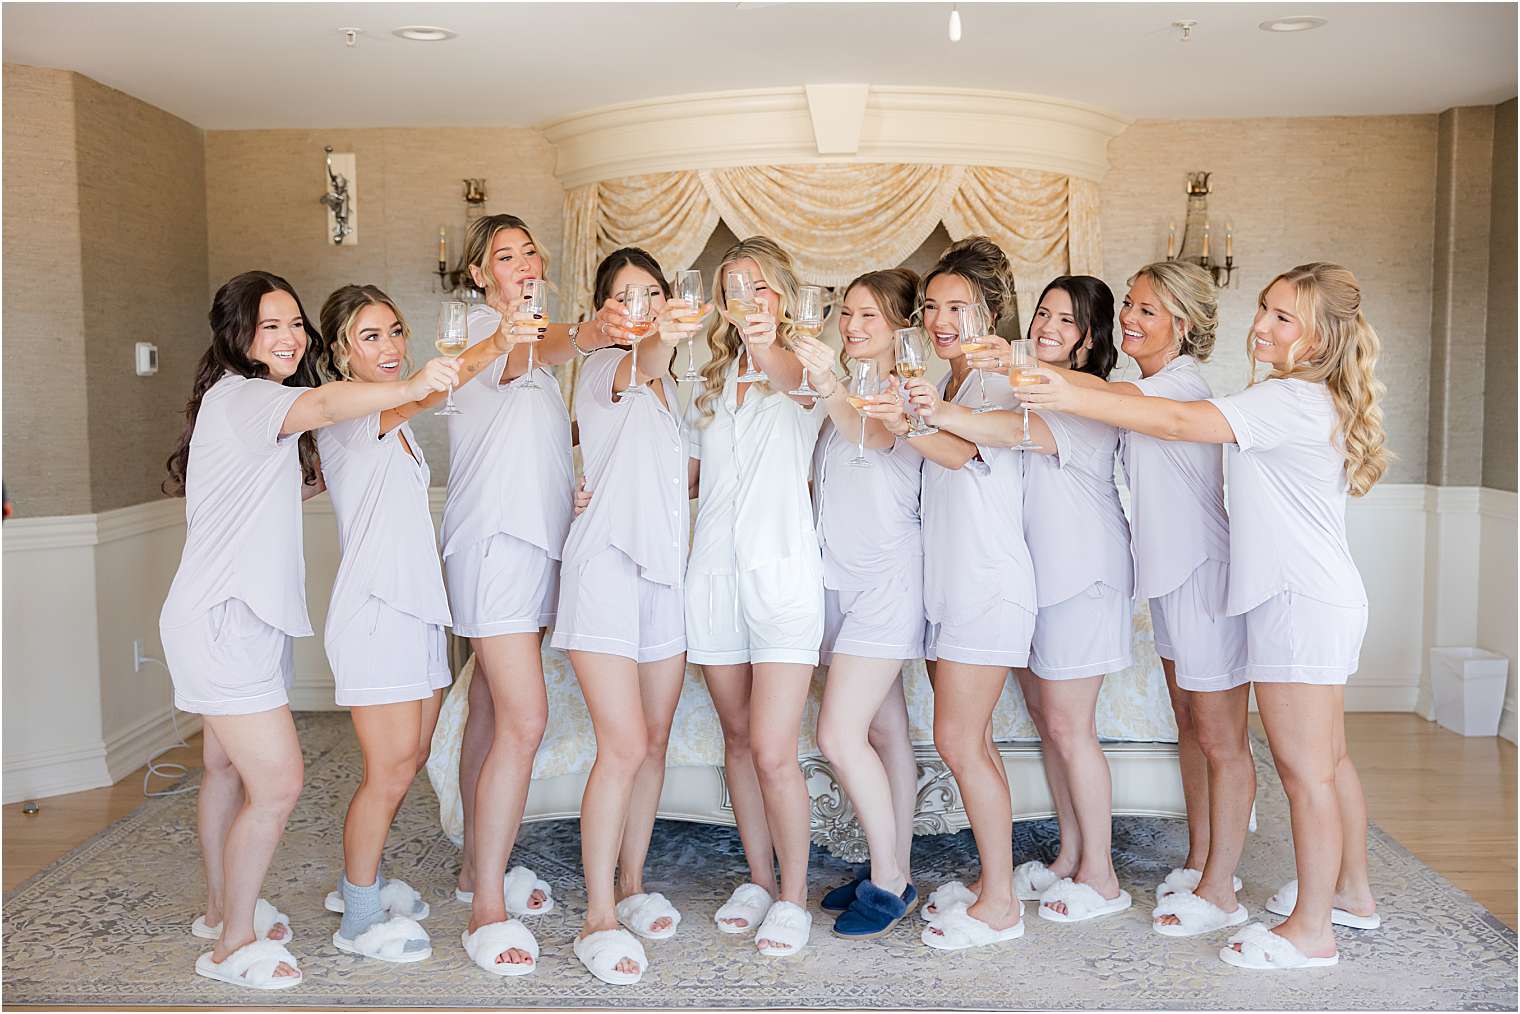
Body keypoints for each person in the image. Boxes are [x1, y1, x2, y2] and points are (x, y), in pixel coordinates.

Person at [1018, 262, 1387, 970]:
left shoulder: (1281, 400)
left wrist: (1063, 383)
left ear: (1323, 336)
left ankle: (1295, 921)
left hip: (1288, 598)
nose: (1263, 325)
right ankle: (1347, 895)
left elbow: (1177, 417)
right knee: (1318, 759)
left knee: (1299, 765)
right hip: (1286, 593)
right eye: (1266, 309)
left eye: (1285, 317)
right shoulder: (1281, 394)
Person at [159, 271, 457, 989]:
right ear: (239, 337)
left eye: (296, 324)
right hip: (223, 620)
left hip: (246, 619)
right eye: (272, 327)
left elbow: (292, 473)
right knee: (281, 783)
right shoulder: (253, 396)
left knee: (227, 769)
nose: (290, 337)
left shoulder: (247, 408)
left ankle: (217, 909)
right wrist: (415, 381)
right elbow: (325, 401)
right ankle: (231, 944)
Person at [907, 274, 1135, 924]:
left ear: (1090, 338)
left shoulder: (1086, 399)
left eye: (1066, 321)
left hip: (1082, 577)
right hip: (1041, 579)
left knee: (1070, 726)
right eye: (1043, 314)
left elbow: (1005, 432)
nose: (1047, 328)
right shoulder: (1035, 388)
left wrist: (933, 412)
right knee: (1051, 725)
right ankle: (1070, 855)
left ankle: (1103, 873)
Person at [550, 248, 708, 984]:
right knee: (619, 747)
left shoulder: (672, 389)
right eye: (627, 295)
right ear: (607, 306)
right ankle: (598, 913)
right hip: (606, 572)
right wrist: (662, 333)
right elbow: (640, 360)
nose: (640, 304)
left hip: (663, 578)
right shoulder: (603, 370)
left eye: (654, 293)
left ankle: (634, 882)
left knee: (652, 742)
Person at [685, 236, 824, 957]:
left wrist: (769, 340)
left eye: (760, 287)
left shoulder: (807, 365)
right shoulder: (707, 379)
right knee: (737, 742)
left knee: (774, 750)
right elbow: (681, 474)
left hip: (783, 579)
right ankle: (761, 879)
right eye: (734, 287)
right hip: (711, 577)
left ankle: (795, 898)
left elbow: (797, 381)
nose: (746, 299)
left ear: (782, 296)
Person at [896, 237, 1033, 950]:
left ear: (990, 310)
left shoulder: (1006, 377)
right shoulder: (949, 384)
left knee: (955, 737)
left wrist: (914, 417)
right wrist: (913, 414)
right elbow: (946, 454)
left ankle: (1002, 904)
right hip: (947, 584)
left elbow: (982, 444)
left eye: (957, 307)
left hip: (988, 583)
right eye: (931, 307)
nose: (940, 319)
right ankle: (994, 879)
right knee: (971, 738)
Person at [791, 269, 925, 941]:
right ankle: (894, 862)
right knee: (885, 730)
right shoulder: (842, 395)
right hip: (838, 581)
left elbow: (871, 437)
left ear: (902, 328)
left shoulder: (903, 393)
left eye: (868, 315)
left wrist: (826, 382)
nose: (851, 325)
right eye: (846, 313)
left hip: (887, 583)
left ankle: (890, 882)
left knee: (837, 734)